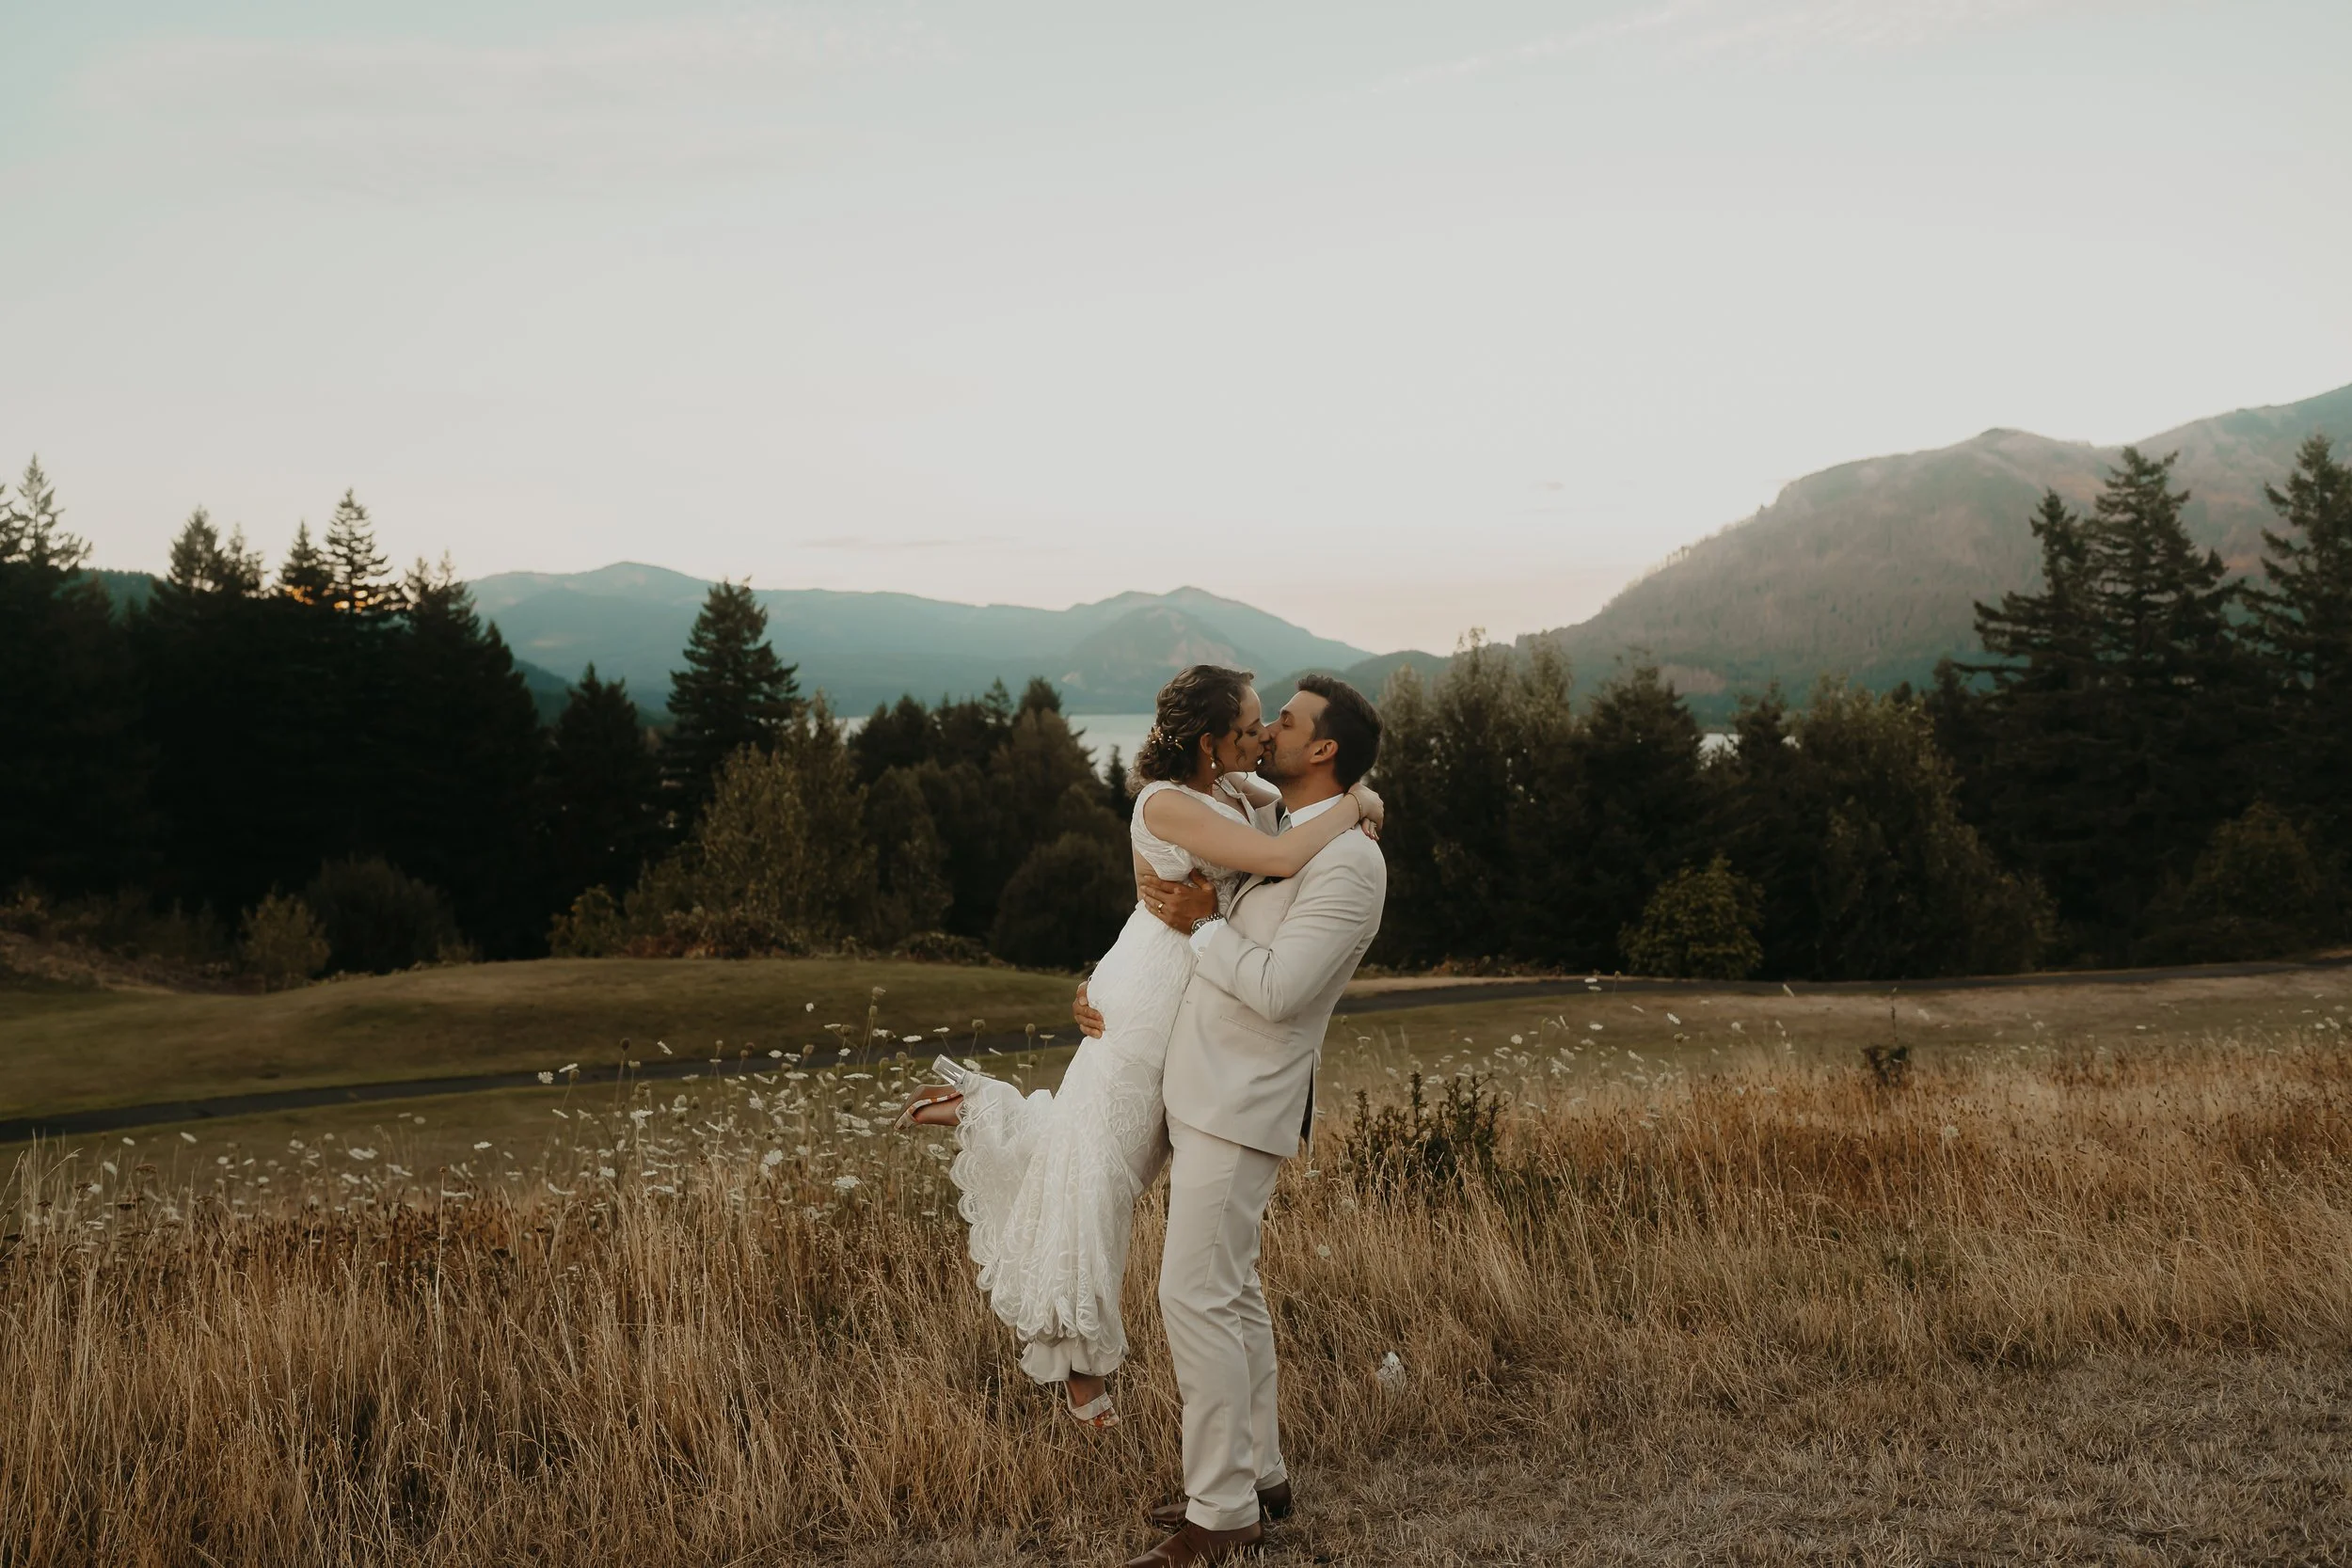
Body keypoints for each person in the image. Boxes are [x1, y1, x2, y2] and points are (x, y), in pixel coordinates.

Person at [893, 665, 1381, 1433]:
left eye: (1269, 723)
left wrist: (1360, 798)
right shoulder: (1164, 801)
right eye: (1250, 726)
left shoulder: (1236, 789)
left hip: (1190, 992)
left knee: (1093, 1152)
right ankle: (1078, 1367)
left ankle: (979, 1108)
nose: (1262, 735)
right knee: (1103, 1173)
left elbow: (1289, 820)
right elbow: (1284, 858)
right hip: (1152, 994)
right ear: (1211, 741)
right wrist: (1359, 802)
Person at [1089, 673, 1387, 1568]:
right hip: (1208, 1089)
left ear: (1322, 748)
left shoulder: (1351, 863)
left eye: (1284, 722)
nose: (1268, 733)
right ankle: (1261, 1475)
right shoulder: (1280, 821)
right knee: (1232, 1291)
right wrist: (1113, 989)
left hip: (1242, 1099)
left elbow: (1280, 989)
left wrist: (1206, 925)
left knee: (1194, 1296)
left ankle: (1220, 1512)